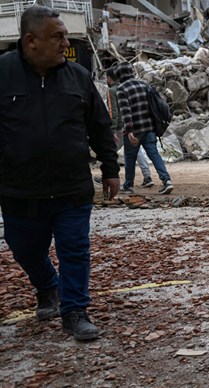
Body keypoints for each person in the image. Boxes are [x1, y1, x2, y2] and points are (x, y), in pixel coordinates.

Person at [0, 5, 119, 340]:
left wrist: (110, 169)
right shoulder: (2, 73)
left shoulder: (78, 76)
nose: (65, 42)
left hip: (72, 187)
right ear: (31, 41)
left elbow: (100, 126)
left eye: (65, 35)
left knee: (74, 248)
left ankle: (75, 312)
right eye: (58, 36)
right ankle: (46, 286)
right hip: (19, 190)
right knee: (24, 248)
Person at [113, 62, 174, 195]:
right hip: (149, 127)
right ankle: (167, 181)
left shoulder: (122, 89)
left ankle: (128, 185)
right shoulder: (144, 84)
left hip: (134, 130)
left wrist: (129, 131)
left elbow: (126, 112)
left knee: (130, 157)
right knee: (154, 154)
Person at [94, 66, 154, 188]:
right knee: (136, 151)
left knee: (109, 151)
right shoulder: (126, 88)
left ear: (109, 78)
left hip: (119, 127)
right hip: (130, 124)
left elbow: (113, 111)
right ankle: (147, 175)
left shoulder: (111, 91)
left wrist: (112, 129)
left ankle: (107, 176)